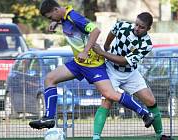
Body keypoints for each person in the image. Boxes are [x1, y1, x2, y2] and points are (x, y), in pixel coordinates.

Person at [29, 0, 154, 130]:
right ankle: (49, 118)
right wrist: (56, 22)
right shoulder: (65, 17)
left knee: (110, 95)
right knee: (50, 78)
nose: (51, 19)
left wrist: (85, 51)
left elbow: (95, 30)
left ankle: (144, 113)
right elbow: (68, 23)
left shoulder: (74, 16)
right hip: (79, 63)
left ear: (56, 10)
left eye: (51, 17)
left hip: (93, 64)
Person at [92, 12, 173, 140]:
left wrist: (102, 53)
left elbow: (124, 61)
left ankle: (159, 136)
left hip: (130, 73)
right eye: (136, 24)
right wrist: (107, 46)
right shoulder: (123, 26)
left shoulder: (146, 44)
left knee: (151, 100)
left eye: (142, 27)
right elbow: (113, 31)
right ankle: (96, 137)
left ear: (148, 28)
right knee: (107, 102)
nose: (137, 28)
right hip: (111, 70)